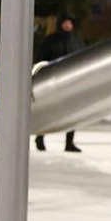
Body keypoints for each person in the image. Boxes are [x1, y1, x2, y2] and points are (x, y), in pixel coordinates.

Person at [35, 15, 85, 152]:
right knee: (49, 110)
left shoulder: (77, 41)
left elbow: (82, 59)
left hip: (72, 81)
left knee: (72, 112)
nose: (68, 26)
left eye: (70, 23)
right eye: (65, 23)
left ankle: (69, 142)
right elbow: (41, 58)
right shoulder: (51, 40)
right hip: (53, 81)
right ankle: (40, 137)